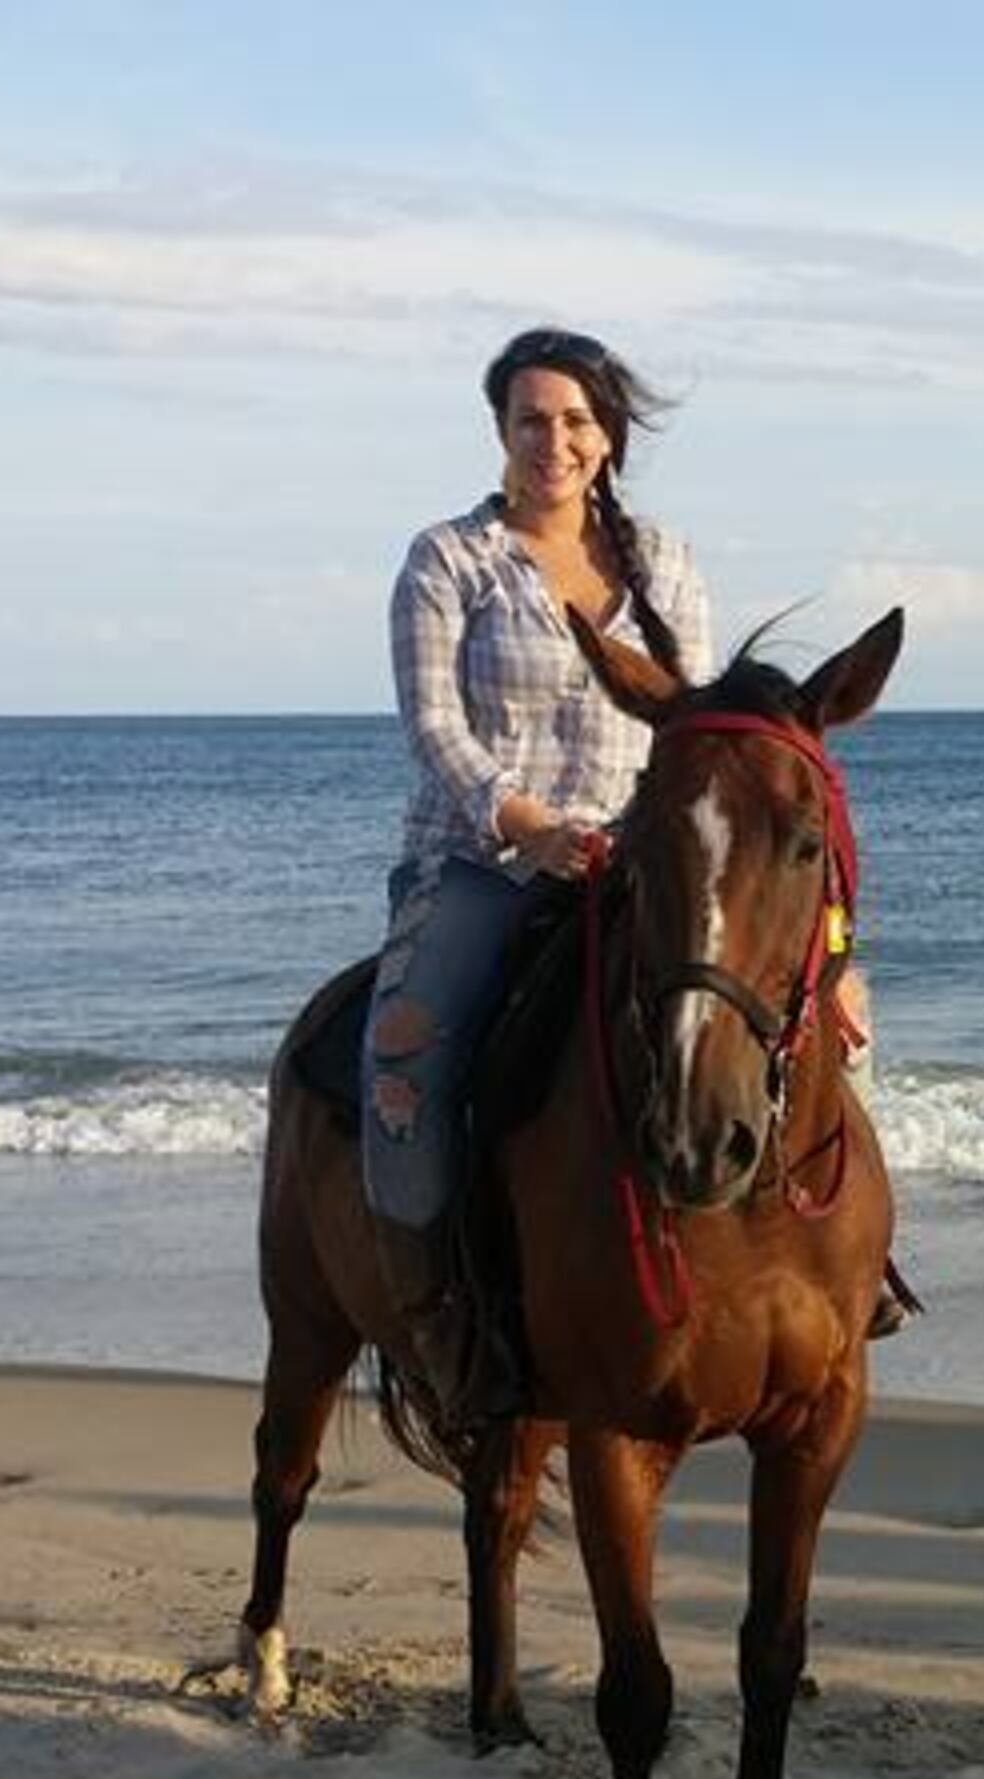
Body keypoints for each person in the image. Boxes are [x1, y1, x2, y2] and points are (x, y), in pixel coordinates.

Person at [363, 326, 707, 1422]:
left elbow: (689, 726)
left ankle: (838, 1272)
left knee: (807, 1006)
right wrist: (529, 826)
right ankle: (443, 1325)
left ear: (607, 436)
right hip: (482, 865)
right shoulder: (449, 559)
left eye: (575, 420)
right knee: (402, 1073)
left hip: (630, 865)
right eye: (530, 419)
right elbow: (432, 725)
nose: (552, 440)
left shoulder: (660, 563)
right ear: (501, 430)